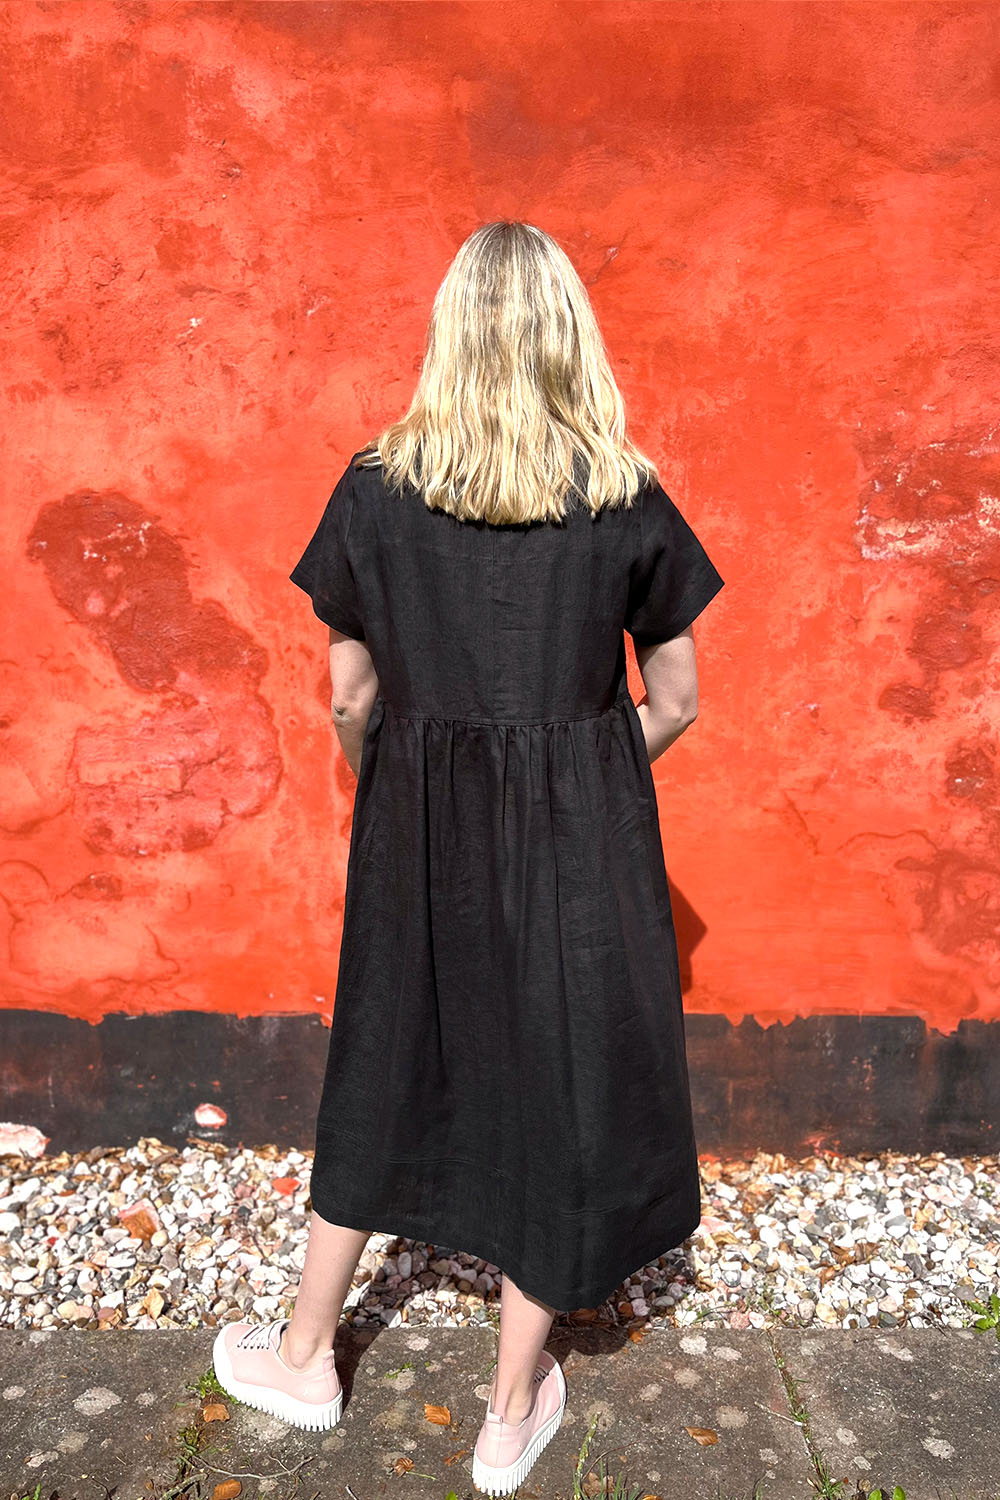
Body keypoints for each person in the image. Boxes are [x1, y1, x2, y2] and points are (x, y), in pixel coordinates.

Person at [212, 219, 725, 1495]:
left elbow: (349, 697)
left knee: (385, 1051)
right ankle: (505, 1419)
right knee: (555, 1078)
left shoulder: (375, 487)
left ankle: (306, 1357)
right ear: (568, 334)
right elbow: (674, 701)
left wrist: (399, 788)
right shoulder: (623, 493)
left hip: (417, 823)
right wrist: (580, 782)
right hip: (577, 836)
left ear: (450, 329)